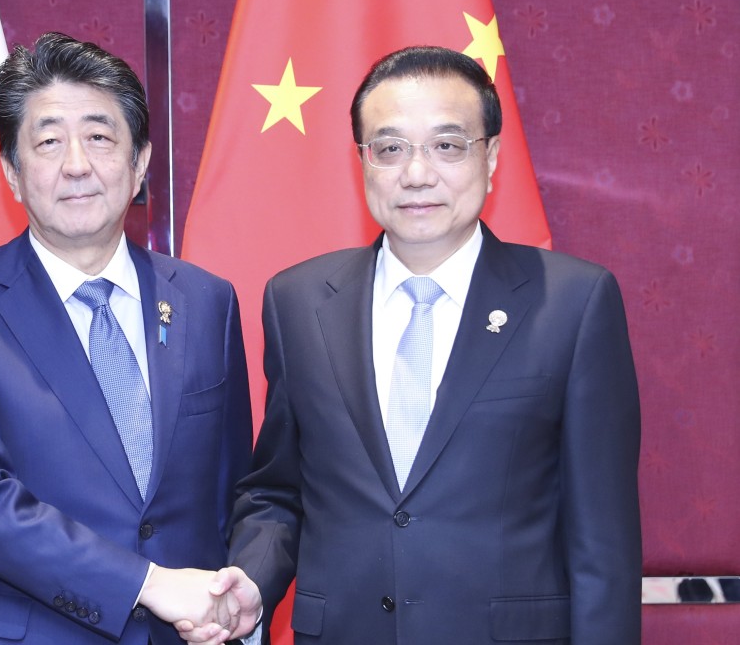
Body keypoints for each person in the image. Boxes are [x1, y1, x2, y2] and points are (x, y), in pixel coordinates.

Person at [223, 46, 642, 644]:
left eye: (448, 145)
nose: (416, 174)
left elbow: (603, 541)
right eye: (390, 148)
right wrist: (253, 581)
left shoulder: (573, 303)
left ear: (492, 157)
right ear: (363, 162)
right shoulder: (298, 300)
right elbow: (278, 489)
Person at [0, 32, 258, 645]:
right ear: (12, 173)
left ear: (140, 161)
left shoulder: (207, 301)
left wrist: (233, 598)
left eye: (99, 136)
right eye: (47, 142)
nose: (77, 163)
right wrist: (148, 583)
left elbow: (234, 488)